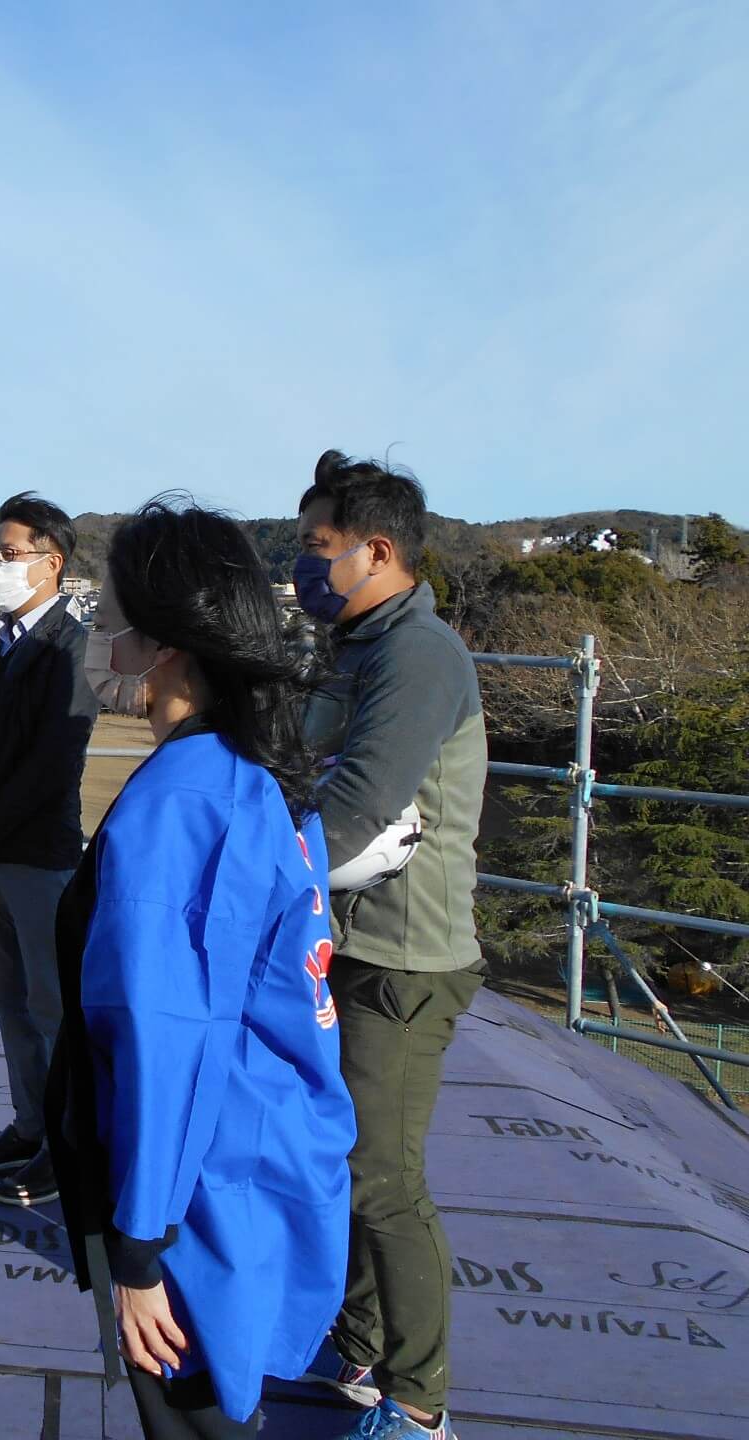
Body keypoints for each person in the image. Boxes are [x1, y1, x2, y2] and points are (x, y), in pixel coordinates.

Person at [44, 498, 355, 1440]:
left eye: (110, 610)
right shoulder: (255, 772)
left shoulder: (181, 806)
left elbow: (166, 1033)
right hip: (253, 1162)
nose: (98, 630)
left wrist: (138, 1249)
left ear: (163, 639)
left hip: (197, 1194)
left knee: (196, 1421)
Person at [293, 451, 486, 1440]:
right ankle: (360, 1338)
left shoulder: (418, 656)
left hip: (406, 960)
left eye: (318, 548)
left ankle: (418, 1400)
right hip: (354, 941)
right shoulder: (360, 644)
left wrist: (254, 882)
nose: (304, 565)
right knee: (353, 1158)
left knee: (382, 1178)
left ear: (377, 551)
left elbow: (356, 802)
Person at [0, 491, 98, 1207]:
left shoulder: (73, 648)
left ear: (50, 562)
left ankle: (67, 1150)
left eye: (9, 555)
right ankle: (29, 1127)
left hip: (37, 857)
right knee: (10, 1002)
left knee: (54, 1007)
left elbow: (52, 766)